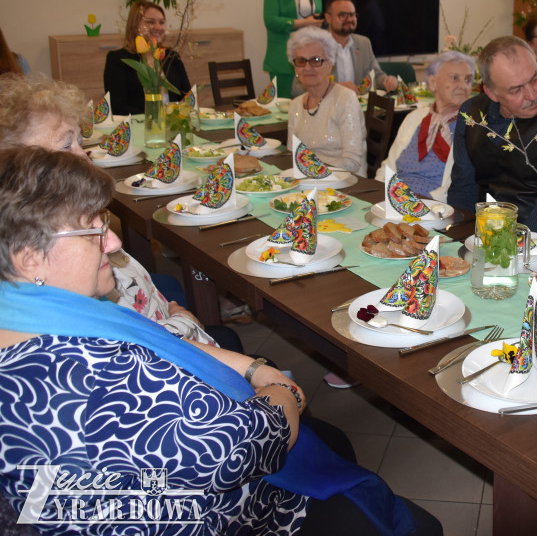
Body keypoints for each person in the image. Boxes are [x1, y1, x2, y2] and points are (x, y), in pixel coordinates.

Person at [0, 147, 440, 535]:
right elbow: (245, 445)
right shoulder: (71, 379)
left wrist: (252, 367)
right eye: (93, 228)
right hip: (227, 515)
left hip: (183, 483)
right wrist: (281, 388)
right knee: (418, 523)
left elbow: (158, 344)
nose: (112, 239)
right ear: (30, 257)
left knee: (332, 442)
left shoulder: (37, 313)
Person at [0, 74, 242, 350]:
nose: (84, 157)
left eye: (80, 141)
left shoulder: (55, 224)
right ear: (19, 166)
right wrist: (184, 323)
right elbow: (124, 347)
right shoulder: (52, 258)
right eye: (66, 145)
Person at [450, 36, 537, 241]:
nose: (532, 95)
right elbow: (463, 191)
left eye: (534, 79)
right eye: (516, 89)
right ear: (491, 92)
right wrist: (457, 242)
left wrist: (513, 251)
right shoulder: (471, 114)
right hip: (482, 236)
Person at [376, 51, 474, 200]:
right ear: (433, 82)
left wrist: (420, 206)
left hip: (435, 208)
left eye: (468, 80)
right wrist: (376, 197)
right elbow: (388, 167)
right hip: (394, 202)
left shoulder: (472, 128)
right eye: (455, 78)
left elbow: (457, 190)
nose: (463, 86)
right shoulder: (414, 117)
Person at [287, 28, 367, 176]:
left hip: (346, 185)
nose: (307, 68)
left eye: (316, 60)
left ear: (330, 63)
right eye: (301, 61)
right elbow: (293, 156)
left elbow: (352, 162)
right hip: (309, 182)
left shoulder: (345, 99)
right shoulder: (296, 105)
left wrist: (312, 172)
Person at [103, 1, 191, 115]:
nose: (158, 27)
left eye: (161, 22)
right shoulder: (117, 59)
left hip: (173, 124)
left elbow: (187, 97)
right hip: (139, 127)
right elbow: (118, 107)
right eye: (150, 22)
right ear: (135, 26)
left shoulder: (171, 56)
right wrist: (155, 118)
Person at [264, 0, 323, 98]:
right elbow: (270, 21)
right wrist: (305, 23)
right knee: (284, 108)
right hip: (283, 57)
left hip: (309, 55)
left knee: (310, 104)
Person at [323, 0, 399, 94]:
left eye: (352, 14)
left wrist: (388, 81)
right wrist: (335, 88)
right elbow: (297, 88)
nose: (349, 19)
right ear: (328, 18)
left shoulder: (363, 43)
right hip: (327, 107)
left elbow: (376, 75)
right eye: (342, 15)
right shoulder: (317, 45)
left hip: (359, 107)